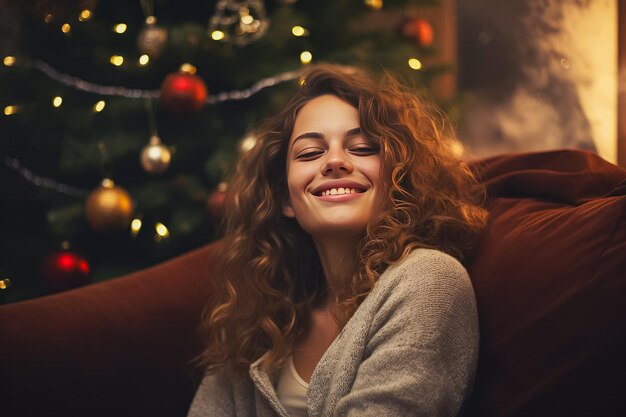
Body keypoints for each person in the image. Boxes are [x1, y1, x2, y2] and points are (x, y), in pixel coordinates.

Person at [188, 63, 489, 417]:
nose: (334, 161)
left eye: (362, 147)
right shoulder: (264, 311)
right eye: (310, 153)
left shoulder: (429, 280)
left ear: (399, 179)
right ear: (285, 198)